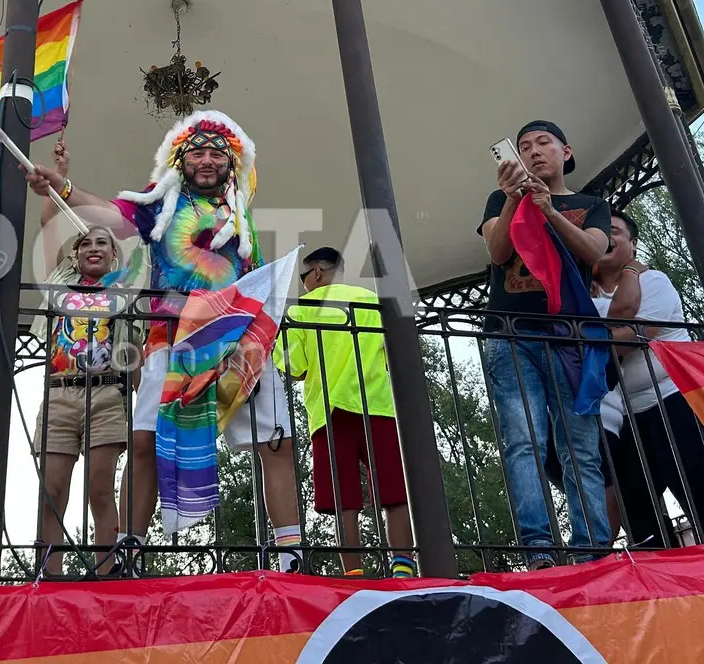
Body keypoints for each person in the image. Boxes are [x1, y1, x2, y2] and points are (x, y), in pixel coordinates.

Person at [24, 111, 303, 572]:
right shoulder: (159, 204)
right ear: (180, 160)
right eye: (198, 152)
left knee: (274, 441)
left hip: (241, 338)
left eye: (218, 153)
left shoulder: (240, 210)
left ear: (232, 164)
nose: (208, 160)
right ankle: (130, 551)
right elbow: (110, 217)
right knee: (143, 442)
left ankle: (290, 554)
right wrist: (65, 189)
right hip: (170, 340)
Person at [479, 120, 611, 569]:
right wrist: (517, 198)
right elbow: (497, 253)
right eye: (523, 147)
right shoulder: (500, 198)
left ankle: (591, 548)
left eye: (543, 143)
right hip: (511, 335)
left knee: (581, 447)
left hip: (570, 338)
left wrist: (550, 210)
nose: (533, 152)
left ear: (565, 151)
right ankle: (538, 549)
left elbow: (595, 254)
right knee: (523, 441)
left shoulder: (592, 204)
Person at [592, 210, 704, 547]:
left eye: (614, 231)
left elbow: (635, 336)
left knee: (693, 483)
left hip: (673, 399)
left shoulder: (653, 281)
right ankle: (662, 575)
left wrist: (588, 339)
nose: (607, 238)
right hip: (626, 416)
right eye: (599, 232)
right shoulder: (585, 296)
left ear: (633, 243)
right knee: (636, 502)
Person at [278, 247, 415, 578]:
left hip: (329, 413)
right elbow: (397, 353)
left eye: (303, 277)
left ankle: (353, 575)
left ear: (317, 274)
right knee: (396, 492)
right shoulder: (372, 301)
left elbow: (295, 368)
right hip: (378, 406)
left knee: (345, 502)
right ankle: (404, 568)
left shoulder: (302, 310)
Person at [32, 140, 132, 577]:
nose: (93, 248)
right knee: (52, 489)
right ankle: (48, 576)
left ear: (113, 256)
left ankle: (106, 575)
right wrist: (58, 180)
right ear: (75, 255)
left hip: (107, 393)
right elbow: (50, 225)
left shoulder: (125, 288)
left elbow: (132, 235)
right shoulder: (60, 281)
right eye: (86, 243)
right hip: (60, 395)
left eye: (102, 244)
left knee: (99, 489)